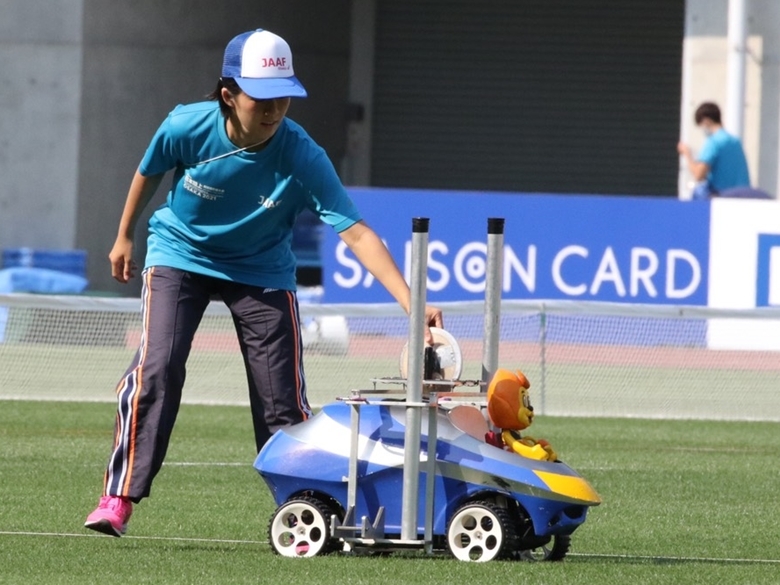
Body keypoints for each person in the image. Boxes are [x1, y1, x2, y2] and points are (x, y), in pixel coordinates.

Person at [84, 28, 443, 537]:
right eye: (262, 100)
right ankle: (118, 497)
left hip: (261, 268)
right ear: (229, 95)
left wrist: (413, 303)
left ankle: (306, 505)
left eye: (284, 100)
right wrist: (123, 236)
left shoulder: (302, 155)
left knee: (282, 401)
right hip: (180, 253)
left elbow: (358, 234)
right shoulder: (186, 125)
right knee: (157, 369)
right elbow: (149, 171)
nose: (275, 111)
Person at [677, 102, 750, 200]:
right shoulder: (735, 142)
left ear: (706, 121)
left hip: (723, 197)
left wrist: (687, 154)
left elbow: (699, 175)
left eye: (701, 126)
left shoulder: (713, 142)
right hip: (744, 197)